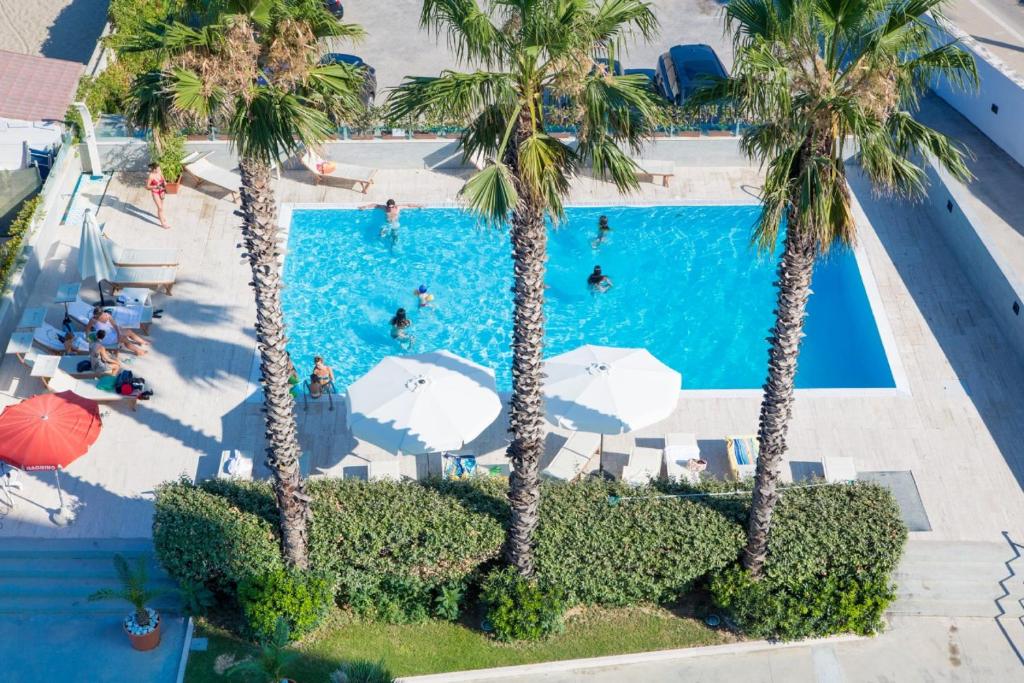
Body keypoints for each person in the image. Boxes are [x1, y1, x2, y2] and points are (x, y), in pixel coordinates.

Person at [146, 163, 171, 230]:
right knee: (160, 207)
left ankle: (160, 216)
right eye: (158, 168)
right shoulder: (151, 176)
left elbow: (163, 178)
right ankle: (163, 224)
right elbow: (147, 187)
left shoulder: (159, 172)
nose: (160, 169)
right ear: (154, 169)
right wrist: (155, 186)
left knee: (161, 207)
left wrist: (165, 182)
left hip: (162, 190)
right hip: (155, 192)